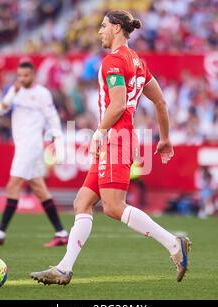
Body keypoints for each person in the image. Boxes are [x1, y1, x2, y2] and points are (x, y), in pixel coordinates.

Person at [30, 10, 191, 286]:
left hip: (116, 139)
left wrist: (99, 133)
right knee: (83, 201)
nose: (99, 32)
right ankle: (64, 268)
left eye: (103, 26)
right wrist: (164, 138)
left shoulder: (113, 62)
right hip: (120, 139)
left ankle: (173, 243)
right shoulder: (138, 62)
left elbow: (116, 105)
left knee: (114, 208)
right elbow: (161, 103)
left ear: (117, 28)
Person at [0, 60, 69, 248]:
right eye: (19, 76)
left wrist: (57, 140)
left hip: (31, 145)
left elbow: (52, 118)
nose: (22, 79)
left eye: (26, 76)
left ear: (33, 75)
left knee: (12, 186)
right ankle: (61, 233)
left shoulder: (42, 94)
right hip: (22, 146)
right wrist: (13, 92)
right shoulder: (15, 92)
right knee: (40, 190)